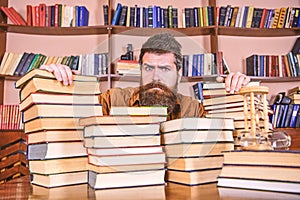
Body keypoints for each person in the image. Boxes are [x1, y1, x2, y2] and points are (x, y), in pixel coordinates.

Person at [40, 33, 250, 120]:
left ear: (179, 73)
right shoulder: (111, 100)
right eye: (148, 68)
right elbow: (67, 122)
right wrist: (56, 80)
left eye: (165, 69)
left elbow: (230, 141)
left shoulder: (194, 109)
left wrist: (239, 92)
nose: (155, 77)